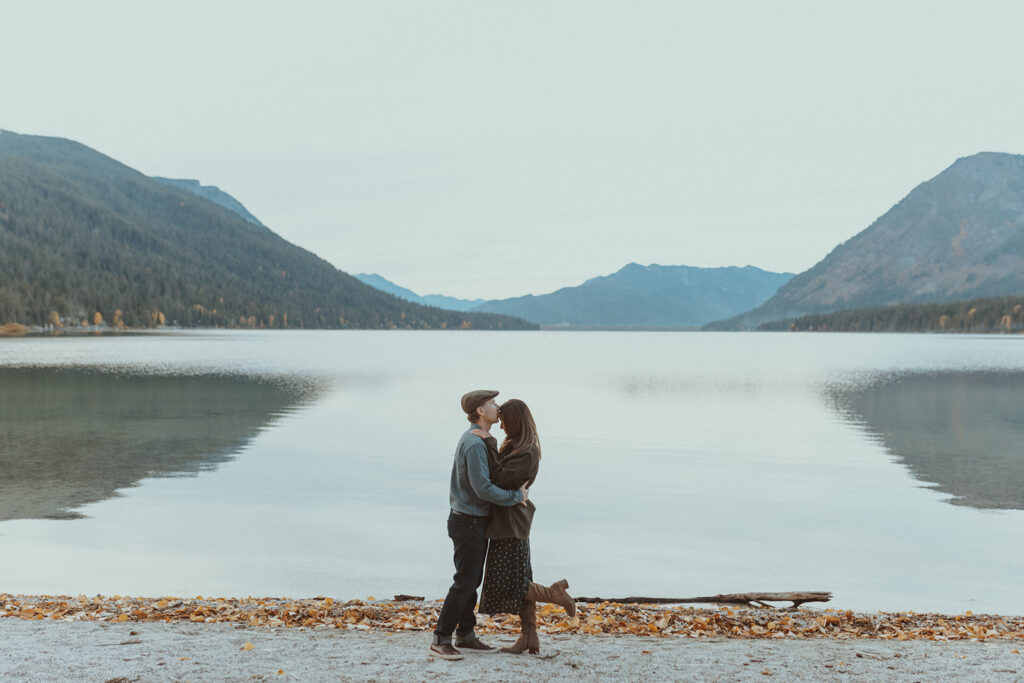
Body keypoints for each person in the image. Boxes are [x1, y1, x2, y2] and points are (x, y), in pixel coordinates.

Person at [429, 389, 529, 661]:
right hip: (467, 522)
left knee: (471, 580)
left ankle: (466, 635)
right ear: (481, 411)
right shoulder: (473, 444)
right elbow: (483, 488)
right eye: (492, 403)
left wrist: (491, 441)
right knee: (464, 582)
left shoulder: (481, 440)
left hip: (472, 520)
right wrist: (516, 497)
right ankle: (441, 639)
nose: (498, 407)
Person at [475, 398, 576, 655]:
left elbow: (497, 477)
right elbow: (498, 476)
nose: (501, 427)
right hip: (506, 521)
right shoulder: (516, 446)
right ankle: (529, 637)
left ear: (516, 421)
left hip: (512, 524)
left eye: (505, 422)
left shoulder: (527, 451)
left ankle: (554, 594)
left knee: (511, 584)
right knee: (519, 581)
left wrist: (486, 442)